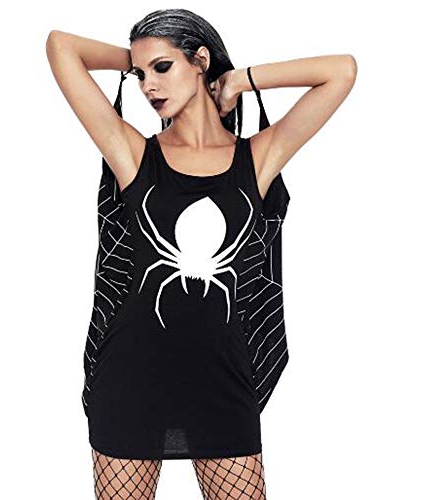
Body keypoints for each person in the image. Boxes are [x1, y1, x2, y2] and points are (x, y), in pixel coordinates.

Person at [46, 8, 357, 499]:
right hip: (131, 378)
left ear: (201, 61)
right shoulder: (133, 155)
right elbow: (61, 46)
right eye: (139, 75)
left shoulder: (257, 157)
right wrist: (141, 58)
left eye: (162, 68)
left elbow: (341, 71)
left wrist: (238, 81)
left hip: (223, 380)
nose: (148, 86)